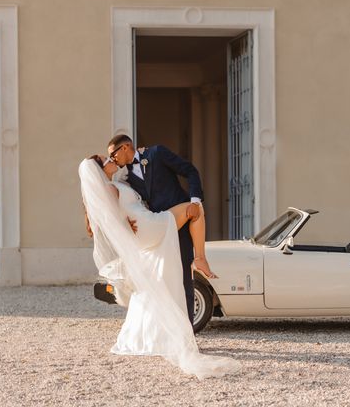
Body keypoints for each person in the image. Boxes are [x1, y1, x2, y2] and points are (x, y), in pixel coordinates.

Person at [79, 156, 240, 379]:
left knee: (152, 283)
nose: (111, 160)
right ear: (99, 170)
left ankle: (149, 335)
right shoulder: (109, 189)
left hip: (145, 226)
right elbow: (107, 216)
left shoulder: (114, 185)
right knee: (195, 209)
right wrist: (124, 224)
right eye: (106, 160)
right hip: (147, 226)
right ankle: (200, 258)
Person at [106, 134, 215, 324]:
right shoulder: (125, 178)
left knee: (184, 278)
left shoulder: (157, 153)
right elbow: (124, 204)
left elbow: (190, 170)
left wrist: (195, 201)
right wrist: (126, 222)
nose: (112, 159)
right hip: (157, 231)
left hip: (180, 224)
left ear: (125, 147)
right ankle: (167, 330)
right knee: (163, 280)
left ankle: (187, 333)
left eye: (113, 154)